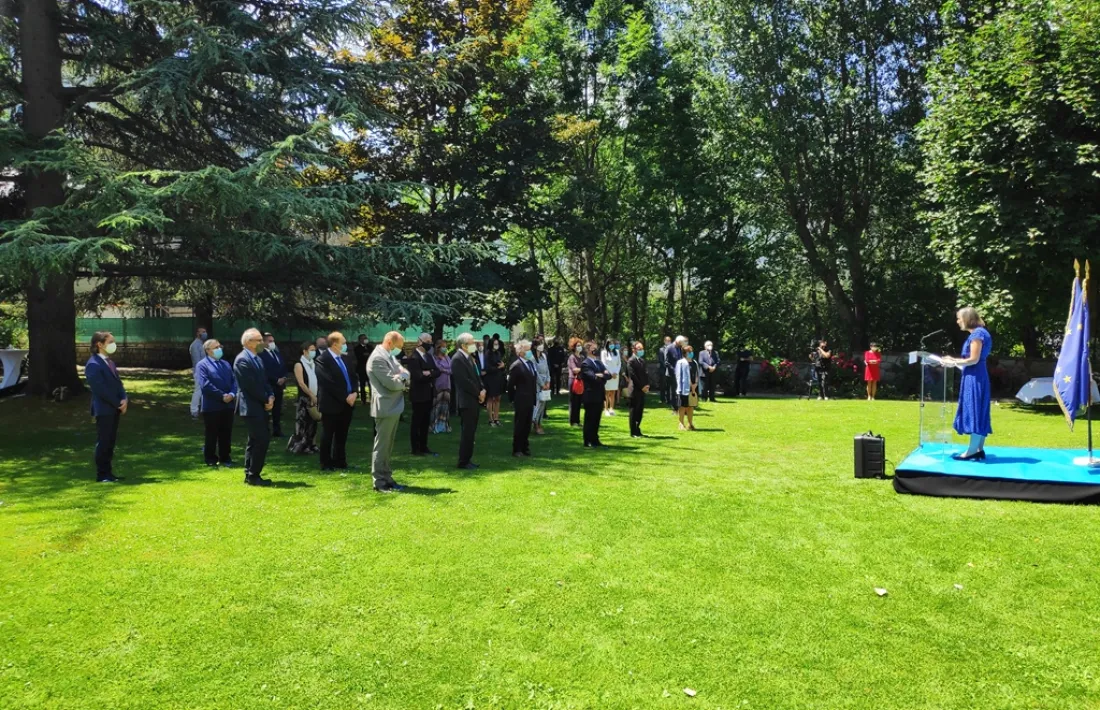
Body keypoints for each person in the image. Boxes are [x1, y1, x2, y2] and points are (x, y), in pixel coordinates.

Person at [943, 308, 993, 460]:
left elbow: (973, 359)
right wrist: (955, 361)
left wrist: (952, 361)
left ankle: (972, 451)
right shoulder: (980, 333)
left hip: (975, 376)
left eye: (959, 318)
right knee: (979, 410)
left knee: (975, 410)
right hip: (976, 375)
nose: (958, 321)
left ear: (967, 318)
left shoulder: (977, 334)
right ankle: (978, 449)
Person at [367, 331, 411, 492]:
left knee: (388, 446)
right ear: (390, 343)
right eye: (399, 346)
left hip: (393, 406)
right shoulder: (378, 358)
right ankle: (379, 481)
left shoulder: (389, 356)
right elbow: (392, 384)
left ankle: (387, 477)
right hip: (385, 407)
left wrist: (401, 376)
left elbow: (404, 372)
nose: (400, 350)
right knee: (382, 446)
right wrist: (402, 378)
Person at [234, 328, 275, 486]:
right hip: (251, 406)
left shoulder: (257, 358)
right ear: (248, 343)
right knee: (261, 440)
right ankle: (253, 475)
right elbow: (251, 386)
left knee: (255, 440)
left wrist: (270, 395)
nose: (262, 343)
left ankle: (250, 473)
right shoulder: (242, 360)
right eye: (258, 340)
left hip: (261, 404)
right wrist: (266, 399)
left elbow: (265, 382)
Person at [86, 331, 128, 482]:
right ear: (100, 344)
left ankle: (109, 473)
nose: (113, 345)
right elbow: (100, 390)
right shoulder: (93, 364)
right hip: (104, 409)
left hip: (114, 408)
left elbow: (118, 384)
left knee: (110, 442)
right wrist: (118, 403)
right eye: (110, 342)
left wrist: (124, 398)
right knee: (104, 442)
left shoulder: (109, 362)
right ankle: (102, 474)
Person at [315, 332, 358, 472]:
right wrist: (345, 396)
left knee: (342, 434)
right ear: (334, 344)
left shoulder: (345, 359)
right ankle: (326, 462)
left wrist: (354, 392)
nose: (346, 346)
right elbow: (328, 382)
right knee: (328, 434)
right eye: (343, 343)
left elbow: (353, 377)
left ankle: (340, 460)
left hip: (347, 403)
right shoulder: (323, 359)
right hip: (331, 403)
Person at [196, 337, 237, 467]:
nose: (219, 349)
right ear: (208, 350)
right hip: (212, 405)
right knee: (211, 433)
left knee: (226, 432)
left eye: (220, 346)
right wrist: (221, 396)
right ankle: (210, 458)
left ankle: (225, 457)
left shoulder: (225, 364)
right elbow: (205, 385)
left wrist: (231, 394)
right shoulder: (202, 365)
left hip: (228, 405)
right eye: (216, 347)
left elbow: (234, 380)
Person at [452, 333, 486, 469]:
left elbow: (477, 376)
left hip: (474, 399)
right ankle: (463, 461)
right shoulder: (457, 359)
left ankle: (468, 459)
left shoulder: (470, 358)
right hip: (466, 401)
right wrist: (478, 393)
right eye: (472, 343)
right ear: (463, 345)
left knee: (471, 432)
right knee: (467, 432)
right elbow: (464, 381)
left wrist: (483, 389)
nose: (474, 345)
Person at [405, 332, 441, 456]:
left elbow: (437, 371)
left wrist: (429, 373)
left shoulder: (428, 356)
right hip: (418, 394)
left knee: (426, 421)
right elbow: (418, 376)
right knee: (417, 421)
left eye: (431, 341)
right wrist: (428, 373)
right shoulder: (414, 357)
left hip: (429, 393)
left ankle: (424, 446)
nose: (430, 343)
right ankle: (415, 448)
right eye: (428, 341)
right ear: (420, 341)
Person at [287, 340, 320, 454]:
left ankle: (312, 444)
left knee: (313, 422)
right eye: (311, 350)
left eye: (314, 350)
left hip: (315, 397)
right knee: (303, 422)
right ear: (304, 351)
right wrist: (310, 395)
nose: (313, 352)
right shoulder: (299, 364)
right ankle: (301, 446)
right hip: (304, 397)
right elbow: (301, 383)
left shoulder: (313, 363)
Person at [508, 339, 537, 457]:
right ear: (520, 352)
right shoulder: (516, 366)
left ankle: (525, 446)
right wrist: (512, 399)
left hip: (530, 398)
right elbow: (510, 385)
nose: (530, 352)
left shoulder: (530, 364)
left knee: (527, 424)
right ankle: (517, 448)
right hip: (521, 399)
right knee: (520, 424)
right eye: (527, 349)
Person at [580, 341, 612, 447]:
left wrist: (601, 375)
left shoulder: (599, 363)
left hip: (599, 394)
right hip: (590, 395)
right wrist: (601, 376)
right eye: (594, 348)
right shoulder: (585, 364)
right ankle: (587, 440)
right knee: (590, 418)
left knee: (597, 419)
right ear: (588, 350)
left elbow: (609, 375)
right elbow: (593, 378)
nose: (596, 350)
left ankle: (595, 439)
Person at [259, 333, 288, 437]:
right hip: (269, 385)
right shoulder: (261, 354)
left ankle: (277, 430)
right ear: (264, 342)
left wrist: (284, 377)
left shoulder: (276, 353)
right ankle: (265, 430)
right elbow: (264, 371)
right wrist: (276, 379)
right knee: (267, 408)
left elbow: (283, 366)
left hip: (279, 386)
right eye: (270, 341)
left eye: (273, 341)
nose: (272, 343)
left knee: (277, 409)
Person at [627, 341, 650, 438]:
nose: (641, 350)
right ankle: (633, 431)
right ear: (634, 349)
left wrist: (647, 385)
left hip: (642, 390)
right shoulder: (631, 361)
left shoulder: (642, 361)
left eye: (642, 348)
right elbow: (633, 376)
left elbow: (645, 374)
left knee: (640, 411)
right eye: (639, 349)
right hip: (635, 389)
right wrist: (641, 386)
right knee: (634, 410)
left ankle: (638, 428)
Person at [483, 336, 506, 426]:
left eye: (497, 344)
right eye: (495, 344)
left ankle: (496, 418)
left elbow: (500, 364)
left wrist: (502, 366)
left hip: (498, 378)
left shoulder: (498, 353)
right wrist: (498, 367)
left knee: (497, 398)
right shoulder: (488, 354)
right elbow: (488, 368)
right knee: (490, 399)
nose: (496, 345)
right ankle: (490, 419)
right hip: (490, 378)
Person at [675, 344, 699, 431]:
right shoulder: (680, 362)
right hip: (684, 387)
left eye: (691, 351)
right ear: (685, 353)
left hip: (694, 387)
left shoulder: (695, 362)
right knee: (683, 406)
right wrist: (689, 384)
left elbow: (696, 374)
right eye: (689, 352)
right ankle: (681, 423)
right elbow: (678, 376)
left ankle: (690, 423)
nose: (691, 353)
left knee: (691, 406)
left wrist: (695, 384)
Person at [531, 337, 551, 435]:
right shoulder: (532, 358)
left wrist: (548, 381)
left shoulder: (544, 356)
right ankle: (534, 422)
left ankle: (539, 422)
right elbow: (535, 372)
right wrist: (542, 384)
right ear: (535, 346)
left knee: (543, 404)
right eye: (539, 344)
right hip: (537, 384)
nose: (541, 346)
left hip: (545, 382)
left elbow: (547, 370)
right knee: (537, 403)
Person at [432, 340, 453, 433]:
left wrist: (445, 370)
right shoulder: (434, 358)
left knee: (445, 406)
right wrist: (446, 370)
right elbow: (438, 368)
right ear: (438, 348)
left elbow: (451, 369)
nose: (445, 348)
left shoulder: (447, 357)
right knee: (437, 405)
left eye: (446, 346)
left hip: (447, 384)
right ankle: (434, 426)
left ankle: (444, 425)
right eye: (443, 346)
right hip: (438, 385)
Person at [189, 326, 208, 418]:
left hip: (204, 371)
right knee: (198, 391)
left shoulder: (201, 344)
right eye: (202, 332)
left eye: (205, 331)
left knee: (204, 391)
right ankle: (194, 410)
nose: (204, 333)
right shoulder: (195, 345)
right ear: (197, 333)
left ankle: (203, 409)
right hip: (199, 372)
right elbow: (197, 361)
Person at [600, 339, 622, 416]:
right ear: (607, 344)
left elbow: (619, 363)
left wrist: (616, 372)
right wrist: (610, 373)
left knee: (613, 392)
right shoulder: (604, 352)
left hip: (616, 375)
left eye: (613, 344)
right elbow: (603, 363)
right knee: (607, 392)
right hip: (608, 374)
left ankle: (611, 408)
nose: (611, 345)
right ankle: (605, 409)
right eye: (610, 344)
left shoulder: (617, 352)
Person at [567, 337, 584, 427]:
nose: (579, 347)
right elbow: (574, 370)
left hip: (580, 381)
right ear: (574, 347)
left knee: (578, 402)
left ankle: (577, 420)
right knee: (573, 402)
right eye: (577, 346)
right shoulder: (572, 357)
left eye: (580, 345)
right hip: (573, 380)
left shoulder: (581, 357)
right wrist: (583, 369)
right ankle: (572, 421)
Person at [665, 336, 686, 410]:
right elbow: (666, 362)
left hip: (680, 372)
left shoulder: (680, 348)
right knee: (673, 390)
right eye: (681, 343)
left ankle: (679, 405)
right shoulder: (669, 348)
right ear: (677, 342)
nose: (681, 345)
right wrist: (674, 370)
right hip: (672, 373)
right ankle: (674, 407)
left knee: (679, 389)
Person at [657, 336, 671, 404]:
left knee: (669, 385)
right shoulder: (661, 349)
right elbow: (661, 360)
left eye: (669, 341)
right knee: (662, 385)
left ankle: (668, 399)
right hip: (663, 369)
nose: (668, 342)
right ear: (664, 341)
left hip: (670, 369)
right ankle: (662, 399)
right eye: (667, 341)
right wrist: (666, 366)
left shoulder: (672, 349)